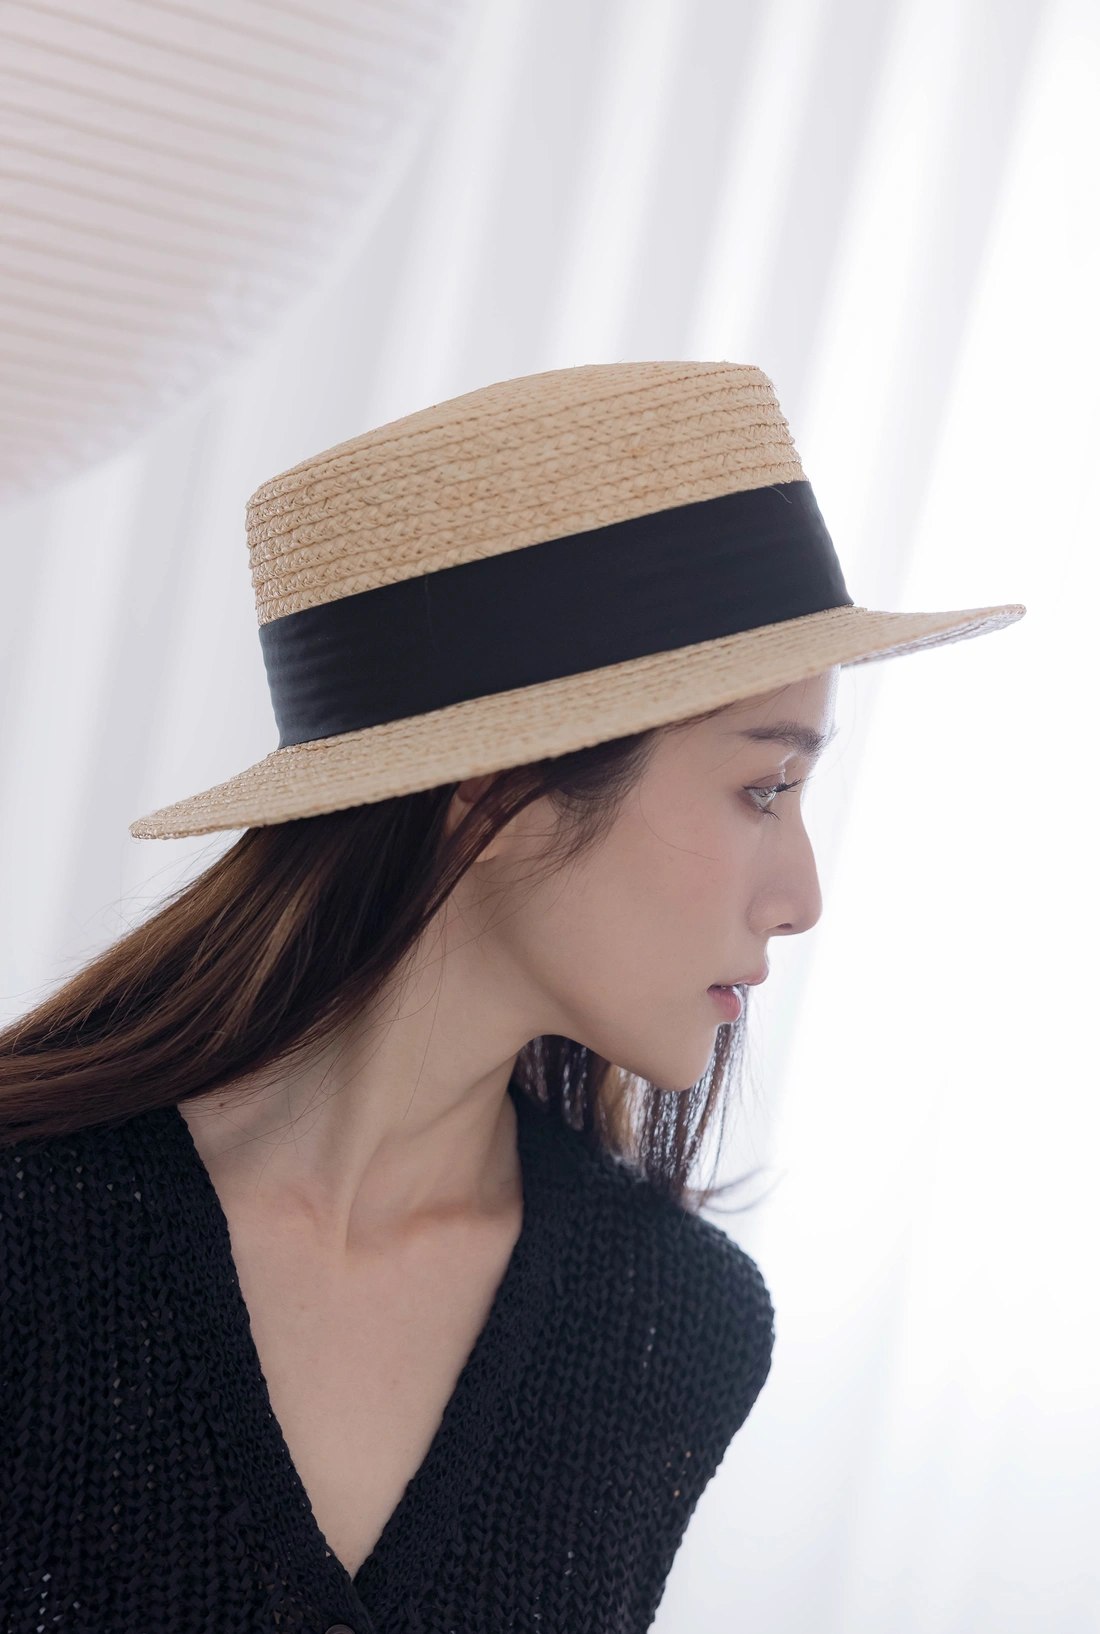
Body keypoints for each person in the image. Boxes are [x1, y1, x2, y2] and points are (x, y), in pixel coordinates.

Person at [0, 363, 1021, 1634]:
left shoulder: (663, 1327)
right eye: (762, 789)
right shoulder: (30, 1234)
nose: (799, 897)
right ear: (499, 795)